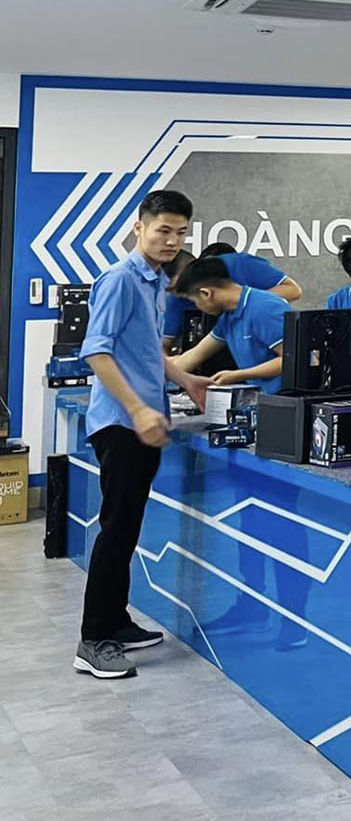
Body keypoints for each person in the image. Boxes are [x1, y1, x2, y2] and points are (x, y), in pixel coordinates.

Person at [75, 190, 211, 681]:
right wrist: (137, 408)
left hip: (143, 421)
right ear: (139, 228)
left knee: (127, 529)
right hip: (122, 423)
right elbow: (97, 352)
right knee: (116, 530)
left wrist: (185, 379)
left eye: (180, 233)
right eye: (163, 230)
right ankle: (93, 640)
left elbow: (147, 348)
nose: (172, 240)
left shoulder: (154, 281)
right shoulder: (120, 279)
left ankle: (116, 621)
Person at [170, 254, 293, 394]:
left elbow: (290, 360)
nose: (197, 307)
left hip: (284, 398)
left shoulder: (265, 308)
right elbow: (194, 355)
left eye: (194, 301)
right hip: (262, 398)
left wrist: (238, 375)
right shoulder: (227, 317)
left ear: (206, 294)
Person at [161, 240, 300, 352]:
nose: (179, 292)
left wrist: (247, 305)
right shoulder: (179, 297)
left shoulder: (242, 265)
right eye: (170, 290)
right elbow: (168, 347)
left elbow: (293, 290)